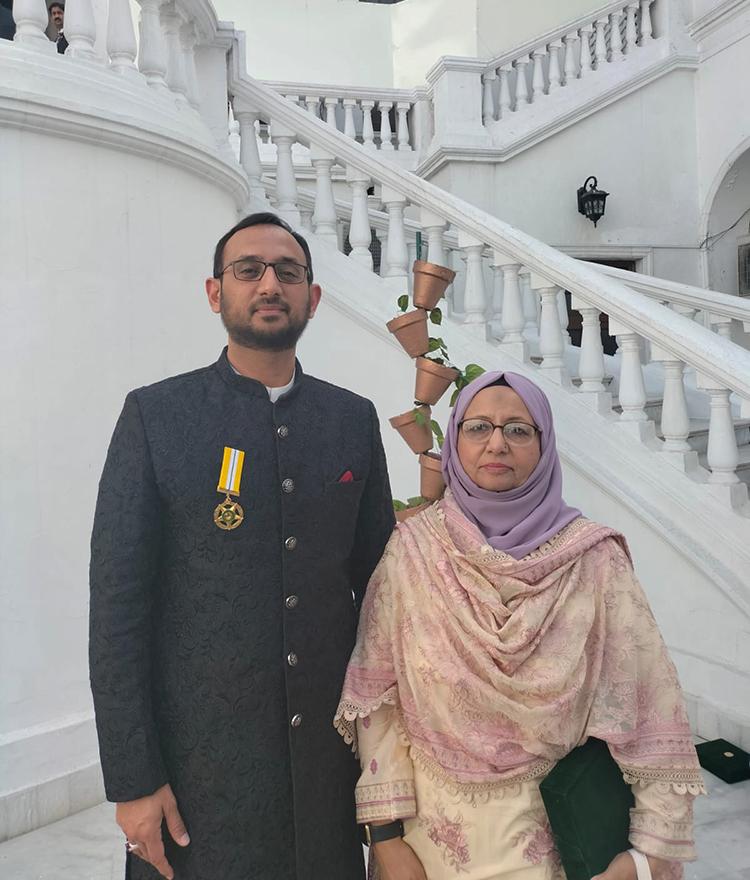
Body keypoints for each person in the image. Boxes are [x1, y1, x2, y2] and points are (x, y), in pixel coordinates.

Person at [90, 212, 395, 880]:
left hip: (325, 772)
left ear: (312, 299)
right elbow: (117, 611)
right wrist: (133, 780)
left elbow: (384, 598)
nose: (269, 284)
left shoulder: (351, 421)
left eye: (288, 273)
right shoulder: (158, 417)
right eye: (248, 269)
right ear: (214, 292)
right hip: (199, 777)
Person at [336, 370, 704, 880]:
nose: (497, 443)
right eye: (478, 427)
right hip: (428, 851)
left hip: (559, 845)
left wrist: (646, 856)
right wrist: (386, 839)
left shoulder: (593, 562)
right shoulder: (414, 552)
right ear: (455, 441)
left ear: (544, 444)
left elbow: (649, 706)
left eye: (518, 429)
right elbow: (379, 700)